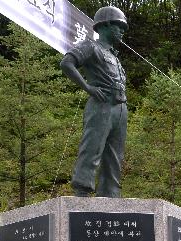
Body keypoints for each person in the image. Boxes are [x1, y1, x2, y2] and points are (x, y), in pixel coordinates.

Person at [61, 6, 129, 197]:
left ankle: (110, 193)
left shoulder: (114, 56)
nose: (122, 31)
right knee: (93, 148)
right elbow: (67, 63)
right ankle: (82, 190)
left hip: (121, 107)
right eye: (119, 26)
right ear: (105, 25)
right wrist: (87, 87)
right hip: (102, 104)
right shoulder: (91, 46)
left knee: (115, 155)